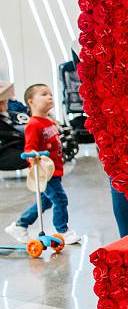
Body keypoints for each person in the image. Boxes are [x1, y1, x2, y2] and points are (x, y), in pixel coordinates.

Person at [4, 84, 79, 245]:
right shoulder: (34, 124)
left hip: (55, 170)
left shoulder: (49, 121)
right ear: (31, 102)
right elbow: (29, 147)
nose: (49, 97)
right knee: (60, 200)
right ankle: (62, 230)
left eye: (50, 94)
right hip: (45, 171)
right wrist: (33, 156)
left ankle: (20, 225)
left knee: (46, 201)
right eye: (44, 94)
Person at [0, 82, 29, 172]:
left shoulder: (7, 113)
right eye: (4, 103)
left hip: (13, 138)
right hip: (7, 148)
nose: (6, 104)